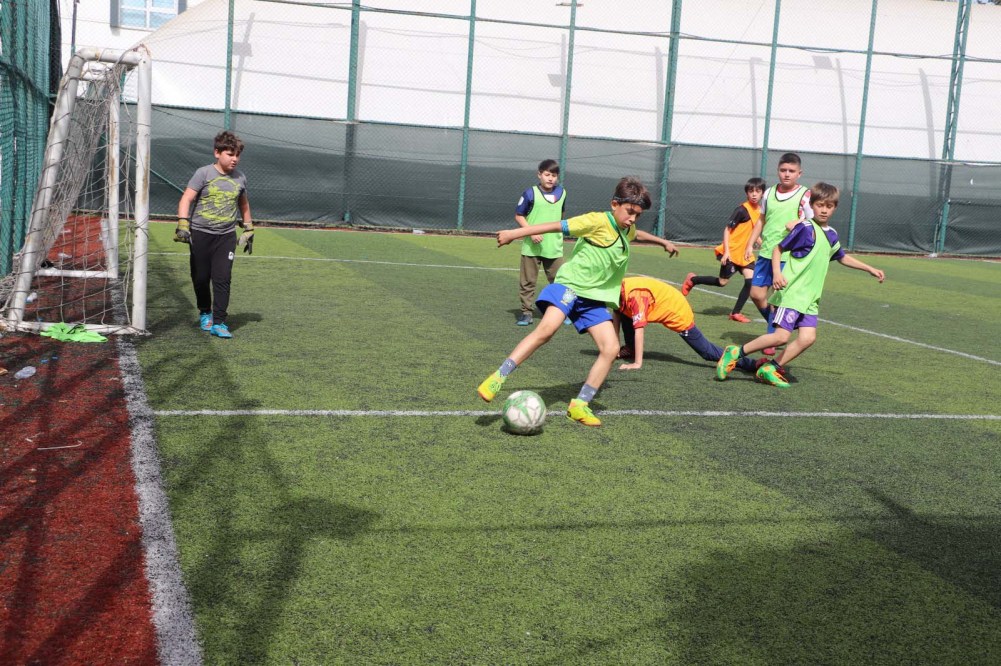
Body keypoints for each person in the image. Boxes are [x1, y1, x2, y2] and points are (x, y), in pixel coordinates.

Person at [477, 176, 678, 427]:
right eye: (630, 212)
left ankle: (579, 405)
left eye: (638, 214)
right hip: (570, 287)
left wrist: (662, 241)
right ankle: (498, 377)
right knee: (547, 329)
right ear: (614, 204)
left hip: (593, 298)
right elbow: (554, 226)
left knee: (611, 349)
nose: (633, 218)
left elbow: (638, 234)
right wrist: (513, 233)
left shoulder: (626, 228)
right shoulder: (596, 221)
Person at [715, 182, 884, 388]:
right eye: (820, 205)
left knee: (807, 338)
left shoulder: (831, 234)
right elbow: (778, 249)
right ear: (812, 205)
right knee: (780, 337)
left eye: (829, 206)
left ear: (835, 208)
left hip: (811, 297)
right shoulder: (804, 228)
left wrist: (869, 269)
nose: (824, 210)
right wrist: (777, 273)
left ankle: (770, 368)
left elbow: (841, 256)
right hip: (792, 293)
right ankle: (735, 352)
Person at [175, 130, 254, 339]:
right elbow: (186, 199)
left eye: (237, 155)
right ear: (217, 153)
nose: (235, 159)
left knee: (223, 278)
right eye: (230, 154)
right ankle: (205, 312)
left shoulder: (240, 178)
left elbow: (244, 204)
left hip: (226, 236)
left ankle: (219, 322)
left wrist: (249, 228)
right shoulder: (203, 173)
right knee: (201, 278)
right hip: (200, 234)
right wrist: (183, 223)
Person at [615, 276, 759, 374]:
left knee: (707, 352)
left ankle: (752, 364)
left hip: (677, 311)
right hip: (665, 301)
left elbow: (639, 329)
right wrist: (614, 348)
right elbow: (617, 313)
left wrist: (637, 363)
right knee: (624, 314)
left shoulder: (636, 296)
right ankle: (630, 348)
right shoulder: (617, 288)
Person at [745, 153, 812, 354]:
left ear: (799, 173)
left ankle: (771, 339)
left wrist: (798, 222)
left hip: (787, 256)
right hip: (766, 253)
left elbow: (814, 221)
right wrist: (750, 244)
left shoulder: (805, 195)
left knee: (776, 299)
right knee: (756, 294)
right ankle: (776, 327)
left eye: (791, 171)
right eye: (783, 170)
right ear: (778, 171)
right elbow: (761, 220)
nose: (787, 174)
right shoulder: (769, 193)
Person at [681, 177, 766, 323]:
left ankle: (735, 313)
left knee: (750, 281)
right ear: (746, 193)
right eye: (751, 191)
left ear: (762, 193)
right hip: (732, 252)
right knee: (722, 282)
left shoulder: (760, 211)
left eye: (757, 191)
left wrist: (762, 244)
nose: (754, 194)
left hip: (745, 254)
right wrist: (726, 252)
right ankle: (693, 280)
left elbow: (754, 231)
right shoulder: (741, 210)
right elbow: (727, 230)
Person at [514, 159, 567, 326]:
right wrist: (531, 232)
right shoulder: (530, 193)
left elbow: (561, 215)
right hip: (532, 246)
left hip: (554, 246)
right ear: (539, 175)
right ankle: (526, 313)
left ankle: (562, 312)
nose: (550, 178)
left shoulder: (562, 193)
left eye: (554, 175)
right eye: (547, 174)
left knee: (560, 281)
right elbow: (519, 216)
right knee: (528, 282)